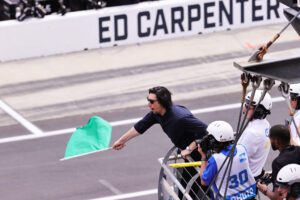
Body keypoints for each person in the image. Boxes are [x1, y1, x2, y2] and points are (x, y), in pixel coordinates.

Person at [112, 86, 208, 198]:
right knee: (186, 190)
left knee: (191, 191)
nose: (149, 104)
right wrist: (121, 141)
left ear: (162, 102)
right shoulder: (157, 114)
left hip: (200, 154)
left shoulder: (179, 117)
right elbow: (140, 126)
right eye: (148, 100)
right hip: (186, 153)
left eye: (152, 101)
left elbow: (205, 131)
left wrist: (189, 148)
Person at [198, 121, 256, 199]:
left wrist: (203, 156)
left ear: (214, 141)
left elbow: (204, 182)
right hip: (250, 195)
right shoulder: (241, 148)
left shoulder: (216, 159)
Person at [257, 125, 300, 199]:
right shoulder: (298, 150)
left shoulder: (278, 163)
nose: (270, 141)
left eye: (270, 139)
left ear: (276, 141)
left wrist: (264, 190)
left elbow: (277, 197)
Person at [238, 90, 272, 180]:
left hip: (244, 181)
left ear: (259, 111)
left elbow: (236, 159)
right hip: (253, 175)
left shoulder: (253, 133)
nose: (244, 110)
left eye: (248, 107)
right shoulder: (265, 124)